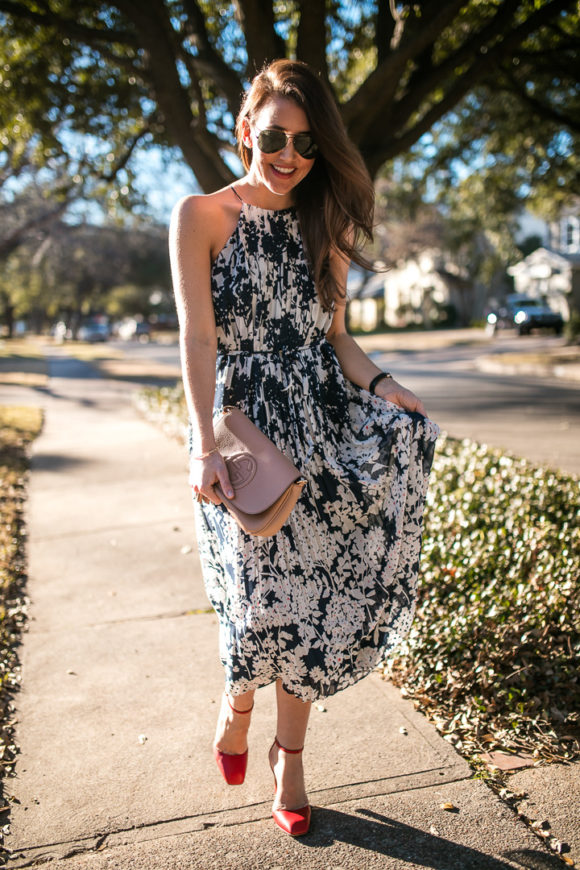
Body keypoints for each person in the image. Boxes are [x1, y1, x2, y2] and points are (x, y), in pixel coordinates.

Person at [169, 59, 439, 837]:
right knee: (253, 602)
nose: (290, 155)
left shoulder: (329, 223)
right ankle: (236, 701)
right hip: (242, 436)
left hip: (319, 428)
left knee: (307, 607)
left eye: (308, 143)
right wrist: (200, 444)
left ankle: (289, 762)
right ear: (247, 128)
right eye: (277, 136)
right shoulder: (201, 216)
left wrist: (386, 387)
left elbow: (340, 340)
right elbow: (198, 336)